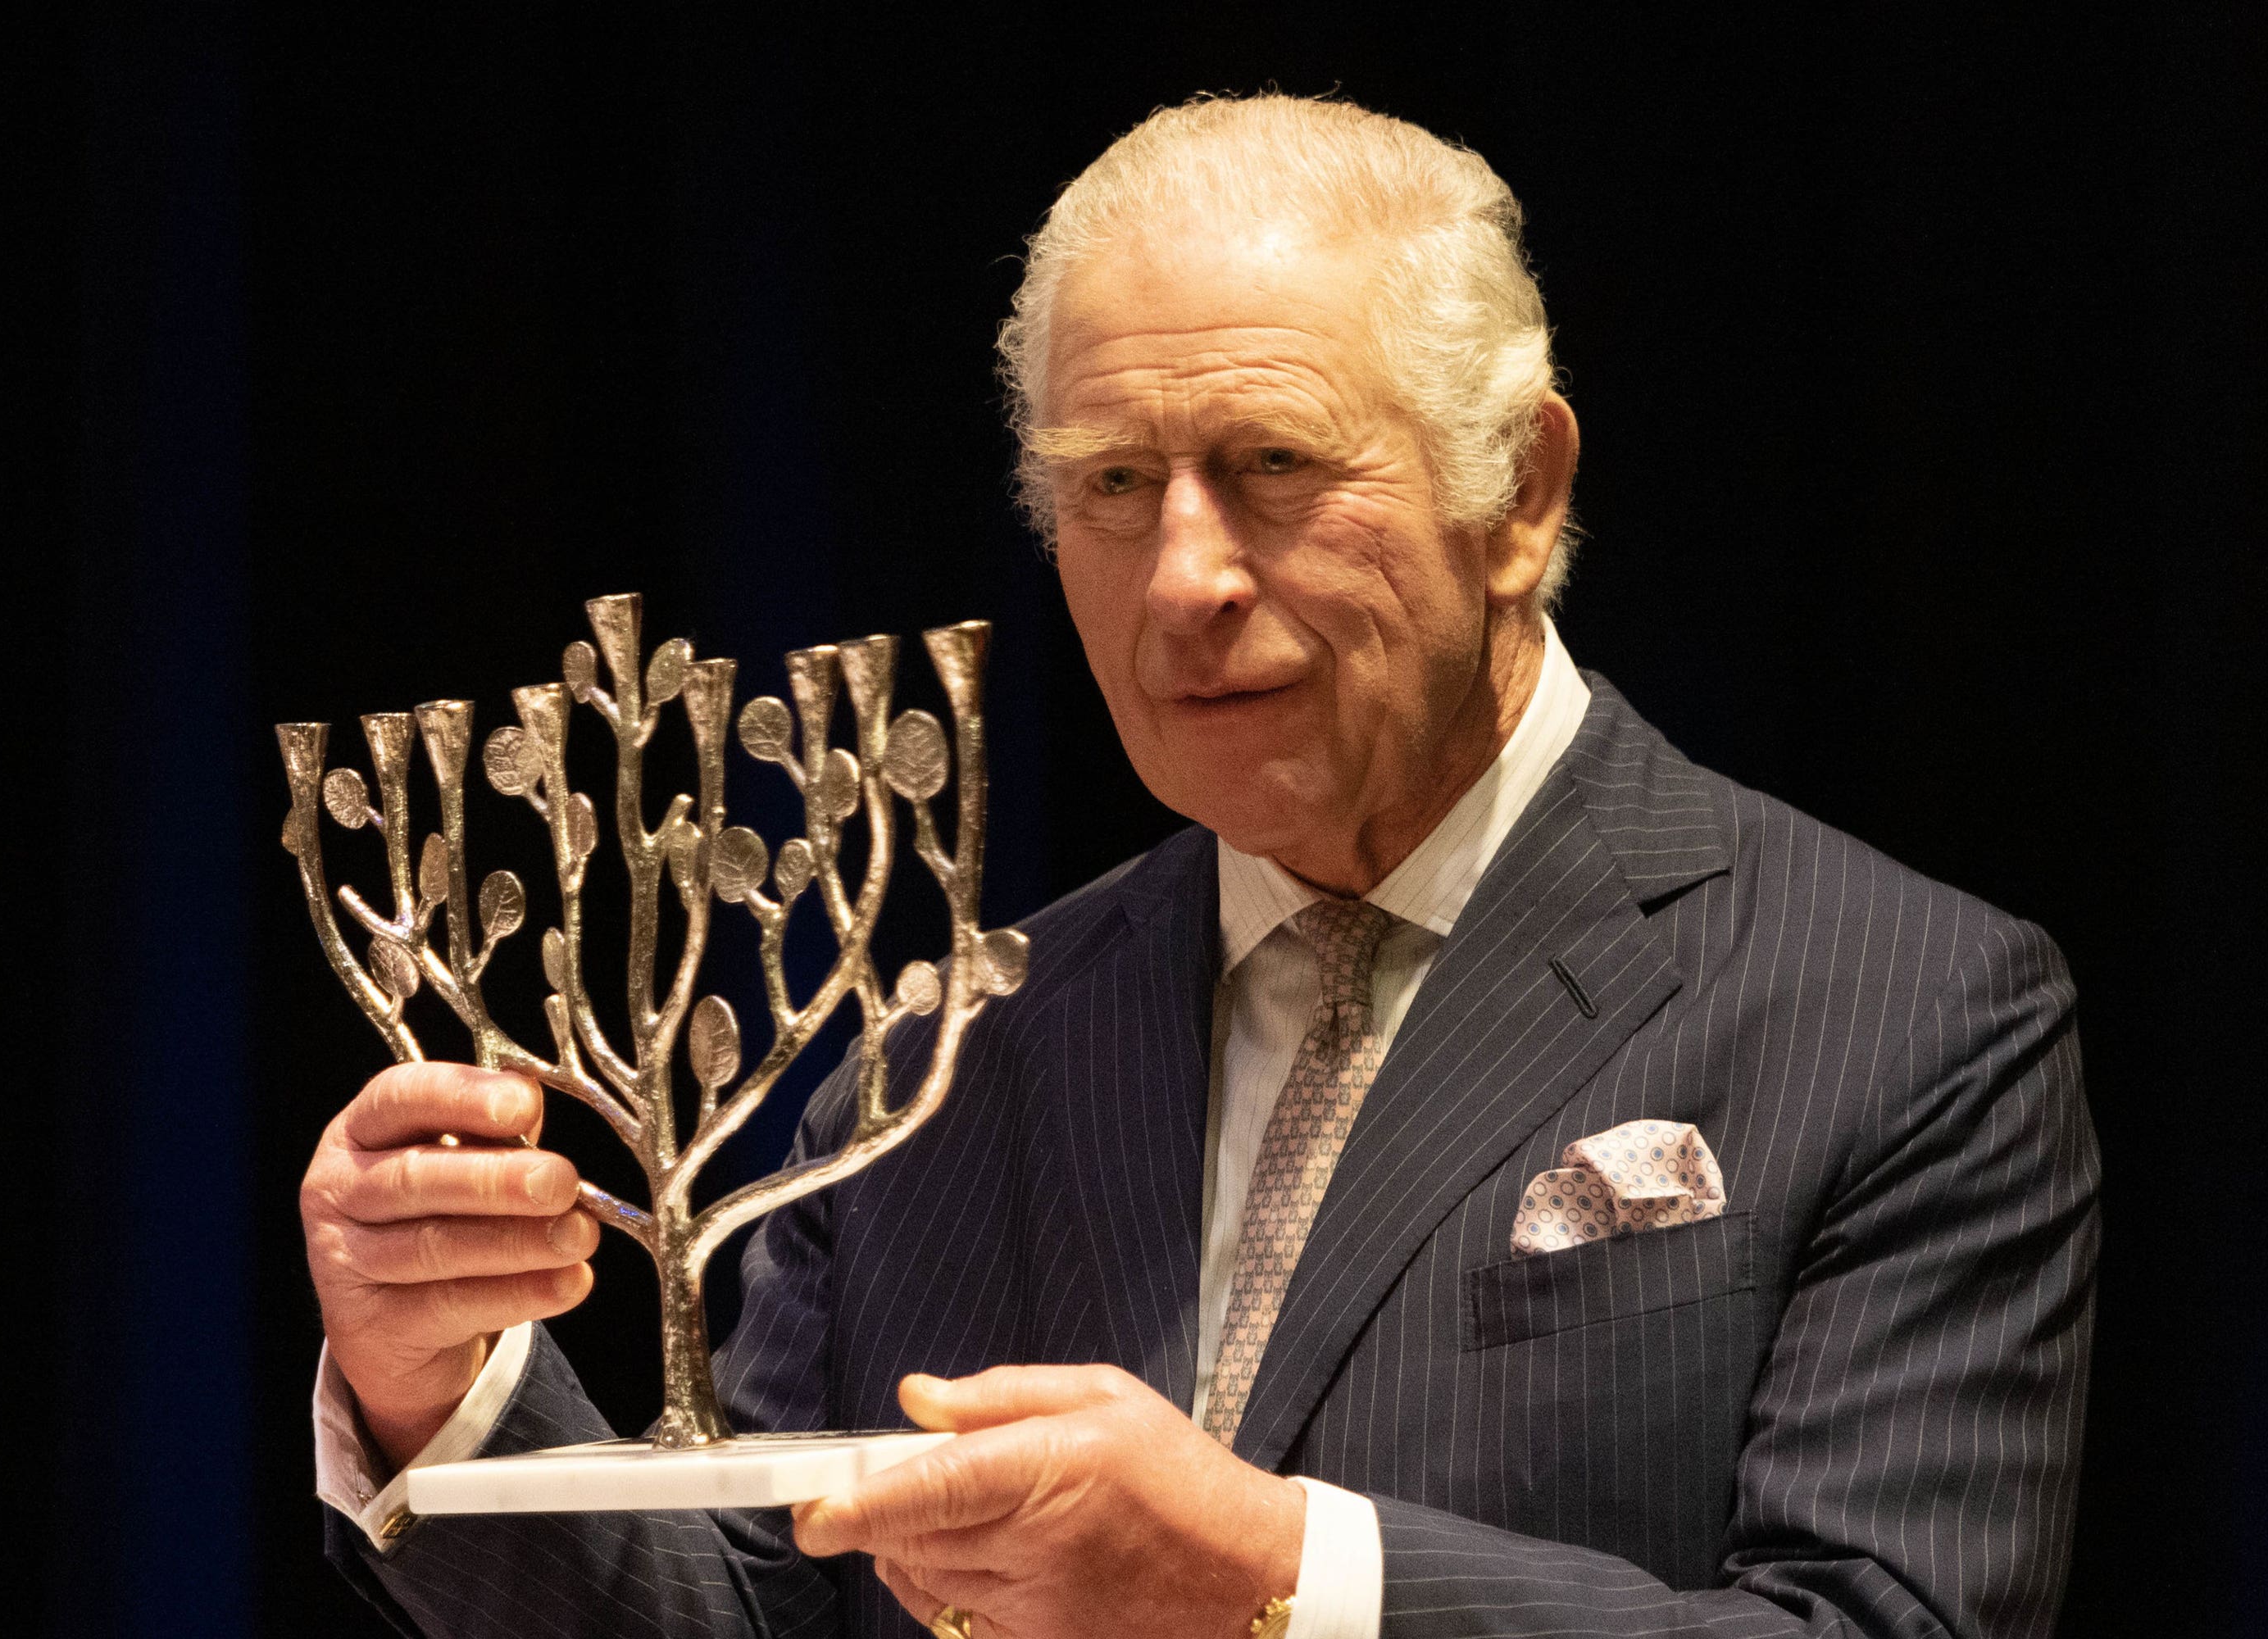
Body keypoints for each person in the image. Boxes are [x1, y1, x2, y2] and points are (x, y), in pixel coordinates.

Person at [303, 93, 2097, 1639]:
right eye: (1109, 484)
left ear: (1521, 496)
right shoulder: (940, 1061)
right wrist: (435, 1391)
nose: (1183, 579)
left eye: (1272, 463)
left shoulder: (1903, 1009)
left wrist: (1282, 1578)